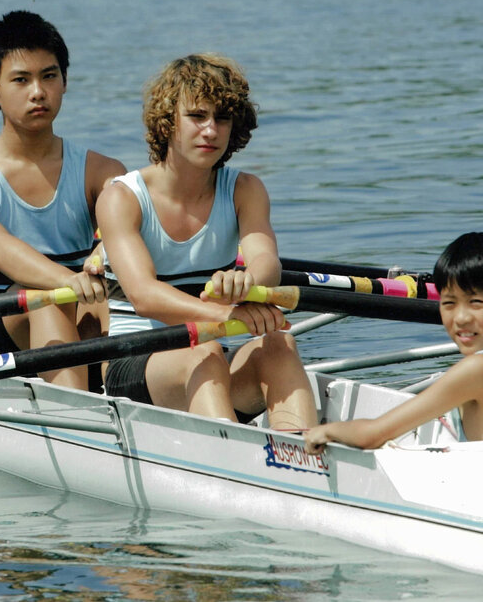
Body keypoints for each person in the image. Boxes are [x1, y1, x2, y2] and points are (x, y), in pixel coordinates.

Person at [96, 53, 317, 430]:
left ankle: (306, 454)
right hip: (134, 362)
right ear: (167, 123)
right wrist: (226, 313)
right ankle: (236, 465)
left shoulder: (245, 190)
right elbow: (144, 296)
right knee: (206, 352)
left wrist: (249, 282)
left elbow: (267, 262)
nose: (211, 131)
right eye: (197, 116)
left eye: (222, 118)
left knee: (280, 344)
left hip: (213, 354)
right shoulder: (122, 198)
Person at [0, 10, 125, 389]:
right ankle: (79, 423)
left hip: (72, 307)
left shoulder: (102, 171)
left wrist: (109, 252)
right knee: (46, 297)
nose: (38, 92)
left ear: (65, 81)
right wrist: (70, 280)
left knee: (124, 295)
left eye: (49, 76)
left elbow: (127, 231)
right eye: (21, 80)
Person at [305, 232, 483, 454]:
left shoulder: (481, 367)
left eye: (476, 302)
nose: (461, 318)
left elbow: (372, 436)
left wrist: (325, 431)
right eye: (449, 303)